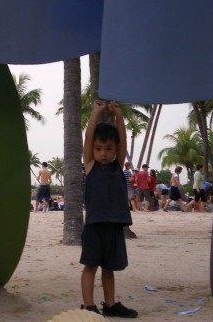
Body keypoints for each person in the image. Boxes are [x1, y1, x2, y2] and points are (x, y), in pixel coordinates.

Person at [80, 100, 138, 318]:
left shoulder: (117, 165)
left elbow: (122, 140)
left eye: (108, 149)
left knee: (109, 268)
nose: (103, 153)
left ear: (115, 150)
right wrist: (96, 111)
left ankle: (110, 305)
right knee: (90, 266)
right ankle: (89, 306)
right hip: (94, 225)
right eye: (98, 149)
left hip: (114, 226)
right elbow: (87, 138)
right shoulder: (90, 165)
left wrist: (119, 116)